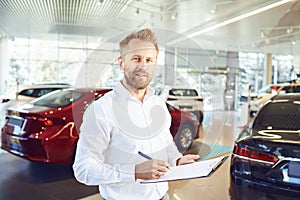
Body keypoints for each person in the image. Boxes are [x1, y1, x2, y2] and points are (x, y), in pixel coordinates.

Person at [73, 28, 199, 200]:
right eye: (136, 59)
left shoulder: (159, 104)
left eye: (149, 60)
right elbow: (83, 169)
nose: (142, 65)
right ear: (121, 63)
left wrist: (176, 160)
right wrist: (134, 172)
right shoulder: (101, 110)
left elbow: (166, 143)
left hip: (163, 196)